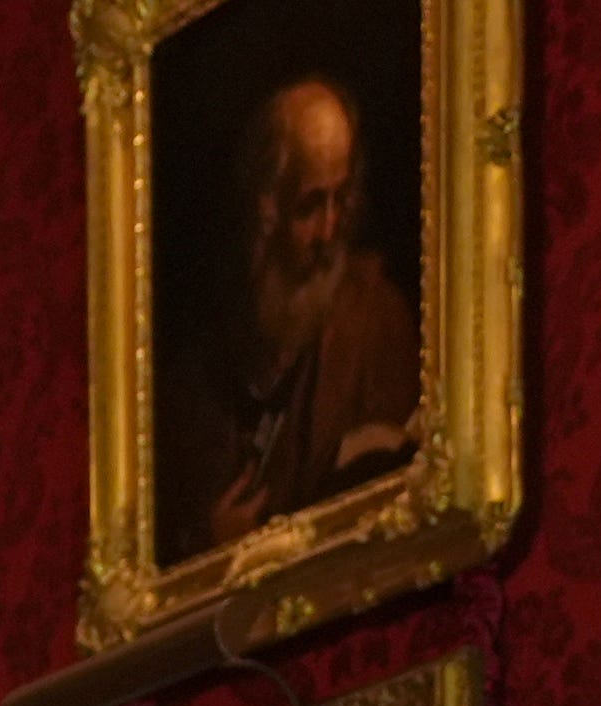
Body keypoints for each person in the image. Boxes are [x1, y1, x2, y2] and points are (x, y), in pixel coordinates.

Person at [167, 72, 418, 557]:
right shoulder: (202, 373)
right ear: (267, 211)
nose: (329, 231)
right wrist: (208, 545)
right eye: (309, 206)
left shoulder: (375, 319)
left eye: (340, 200)